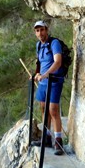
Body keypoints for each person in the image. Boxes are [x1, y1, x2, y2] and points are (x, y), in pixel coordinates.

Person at [32, 20, 64, 155]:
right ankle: (46, 137)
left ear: (47, 29)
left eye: (42, 30)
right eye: (37, 31)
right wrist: (37, 73)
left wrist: (45, 75)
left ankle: (58, 141)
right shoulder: (39, 45)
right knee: (44, 108)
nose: (40, 33)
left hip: (54, 81)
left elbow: (58, 62)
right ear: (35, 33)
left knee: (53, 110)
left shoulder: (54, 43)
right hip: (43, 82)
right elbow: (39, 62)